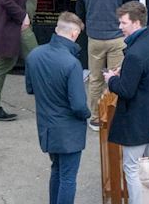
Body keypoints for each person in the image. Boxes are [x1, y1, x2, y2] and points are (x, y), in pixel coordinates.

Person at [104, 1, 149, 203]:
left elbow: (126, 90)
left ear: (136, 22)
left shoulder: (134, 53)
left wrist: (111, 80)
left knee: (132, 167)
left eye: (123, 22)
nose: (120, 27)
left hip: (137, 120)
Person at [25, 12, 90, 204]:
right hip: (69, 130)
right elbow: (78, 105)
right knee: (68, 178)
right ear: (74, 34)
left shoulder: (34, 55)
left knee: (57, 170)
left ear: (57, 29)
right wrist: (88, 114)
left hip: (47, 127)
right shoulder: (71, 63)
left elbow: (30, 88)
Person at [75, 0, 128, 131]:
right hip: (117, 37)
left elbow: (79, 10)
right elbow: (128, 8)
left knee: (95, 78)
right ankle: (112, 114)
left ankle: (96, 117)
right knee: (115, 77)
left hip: (94, 37)